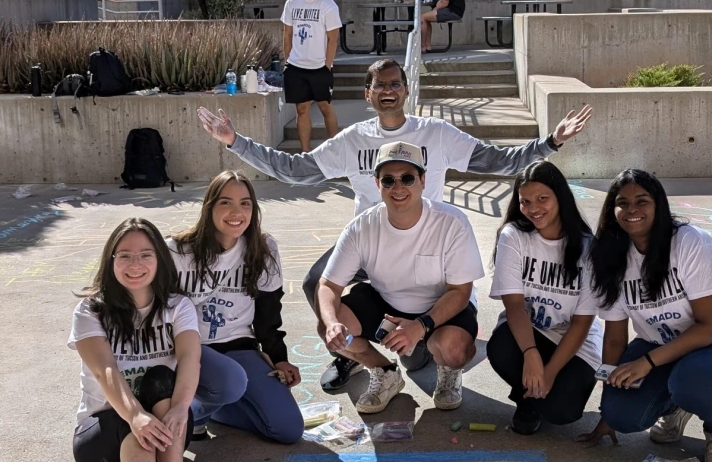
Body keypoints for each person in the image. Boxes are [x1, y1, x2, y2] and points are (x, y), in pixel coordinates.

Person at [197, 60, 593, 390]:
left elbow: (496, 161)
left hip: (426, 242)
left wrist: (549, 144)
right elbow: (294, 170)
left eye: (394, 83)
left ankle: (425, 346)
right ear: (367, 94)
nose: (387, 90)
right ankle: (353, 355)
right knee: (318, 288)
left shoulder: (435, 133)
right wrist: (236, 142)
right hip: (371, 244)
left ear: (406, 90)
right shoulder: (353, 140)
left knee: (431, 306)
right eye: (378, 85)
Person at [69, 218, 231, 462]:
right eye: (124, 256)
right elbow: (105, 371)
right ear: (110, 261)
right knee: (130, 420)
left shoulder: (177, 305)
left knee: (162, 380)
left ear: (160, 259)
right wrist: (135, 416)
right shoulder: (91, 311)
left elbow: (191, 358)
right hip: (103, 440)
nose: (135, 264)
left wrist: (179, 407)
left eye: (145, 255)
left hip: (165, 436)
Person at [582, 169, 712, 462]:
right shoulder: (610, 257)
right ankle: (677, 405)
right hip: (660, 350)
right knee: (622, 415)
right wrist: (606, 411)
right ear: (612, 211)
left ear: (659, 205)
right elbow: (613, 338)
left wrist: (646, 363)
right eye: (622, 203)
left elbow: (709, 327)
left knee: (692, 379)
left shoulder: (691, 243)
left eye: (642, 201)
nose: (632, 210)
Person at [317, 141, 484, 414]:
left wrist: (419, 326)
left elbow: (460, 291)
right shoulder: (362, 227)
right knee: (328, 327)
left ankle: (447, 369)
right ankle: (384, 371)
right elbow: (328, 285)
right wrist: (333, 323)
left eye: (407, 178)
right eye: (388, 180)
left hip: (440, 308)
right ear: (377, 184)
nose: (398, 188)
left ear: (422, 181)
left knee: (453, 351)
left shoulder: (451, 222)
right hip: (387, 304)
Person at [169, 171, 304, 446]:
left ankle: (213, 404)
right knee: (230, 381)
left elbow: (268, 313)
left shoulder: (263, 249)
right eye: (226, 202)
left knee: (288, 429)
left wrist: (278, 357)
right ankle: (198, 410)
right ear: (210, 207)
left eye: (245, 203)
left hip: (238, 347)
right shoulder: (178, 251)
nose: (236, 212)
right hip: (190, 349)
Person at [486, 161, 604, 435]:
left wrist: (549, 372)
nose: (533, 209)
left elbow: (582, 322)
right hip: (529, 330)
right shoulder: (513, 236)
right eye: (525, 201)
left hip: (573, 341)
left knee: (562, 412)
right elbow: (514, 306)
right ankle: (526, 399)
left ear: (561, 198)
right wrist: (531, 355)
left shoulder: (588, 248)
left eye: (542, 198)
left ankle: (537, 393)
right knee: (500, 348)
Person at [281, 0, 342, 152]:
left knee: (325, 107)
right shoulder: (292, 3)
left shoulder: (327, 5)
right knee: (302, 109)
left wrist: (327, 65)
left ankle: (335, 149)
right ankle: (306, 152)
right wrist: (287, 60)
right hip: (296, 66)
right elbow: (287, 34)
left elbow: (333, 39)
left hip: (319, 67)